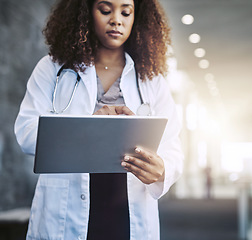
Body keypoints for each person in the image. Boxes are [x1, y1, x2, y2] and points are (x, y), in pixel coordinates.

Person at [14, 0, 183, 239]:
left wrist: (162, 169)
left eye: (126, 12)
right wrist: (86, 127)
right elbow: (26, 132)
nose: (116, 19)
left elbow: (172, 146)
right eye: (105, 10)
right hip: (67, 209)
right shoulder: (52, 69)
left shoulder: (151, 79)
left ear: (138, 18)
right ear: (84, 13)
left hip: (128, 209)